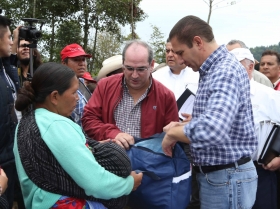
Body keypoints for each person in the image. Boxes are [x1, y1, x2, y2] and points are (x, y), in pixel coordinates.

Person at [13, 62, 143, 209]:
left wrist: (92, 147)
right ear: (55, 96)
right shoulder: (56, 124)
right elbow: (95, 182)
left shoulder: (25, 123)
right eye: (74, 92)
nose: (77, 98)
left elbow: (54, 158)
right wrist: (129, 183)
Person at [162, 15, 258, 209]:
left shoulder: (224, 71)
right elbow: (222, 124)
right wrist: (183, 125)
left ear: (198, 42)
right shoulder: (215, 70)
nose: (179, 59)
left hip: (227, 177)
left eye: (181, 52)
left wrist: (173, 133)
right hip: (223, 178)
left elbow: (213, 128)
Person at [82, 40, 179, 149]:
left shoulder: (165, 97)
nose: (134, 75)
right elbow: (88, 119)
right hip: (109, 158)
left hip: (147, 163)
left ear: (151, 65)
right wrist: (113, 134)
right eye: (129, 68)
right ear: (123, 64)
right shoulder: (105, 86)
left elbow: (172, 136)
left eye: (141, 69)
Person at [230, 47, 280, 209]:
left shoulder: (269, 96)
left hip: (261, 171)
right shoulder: (219, 95)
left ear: (250, 67)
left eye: (235, 67)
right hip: (225, 171)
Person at [0, 15, 21, 209]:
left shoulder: (4, 69)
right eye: (9, 37)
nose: (12, 42)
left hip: (9, 155)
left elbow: (16, 85)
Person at [61, 43, 92, 125]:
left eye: (83, 59)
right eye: (76, 60)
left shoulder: (81, 82)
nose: (81, 63)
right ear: (64, 64)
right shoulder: (61, 88)